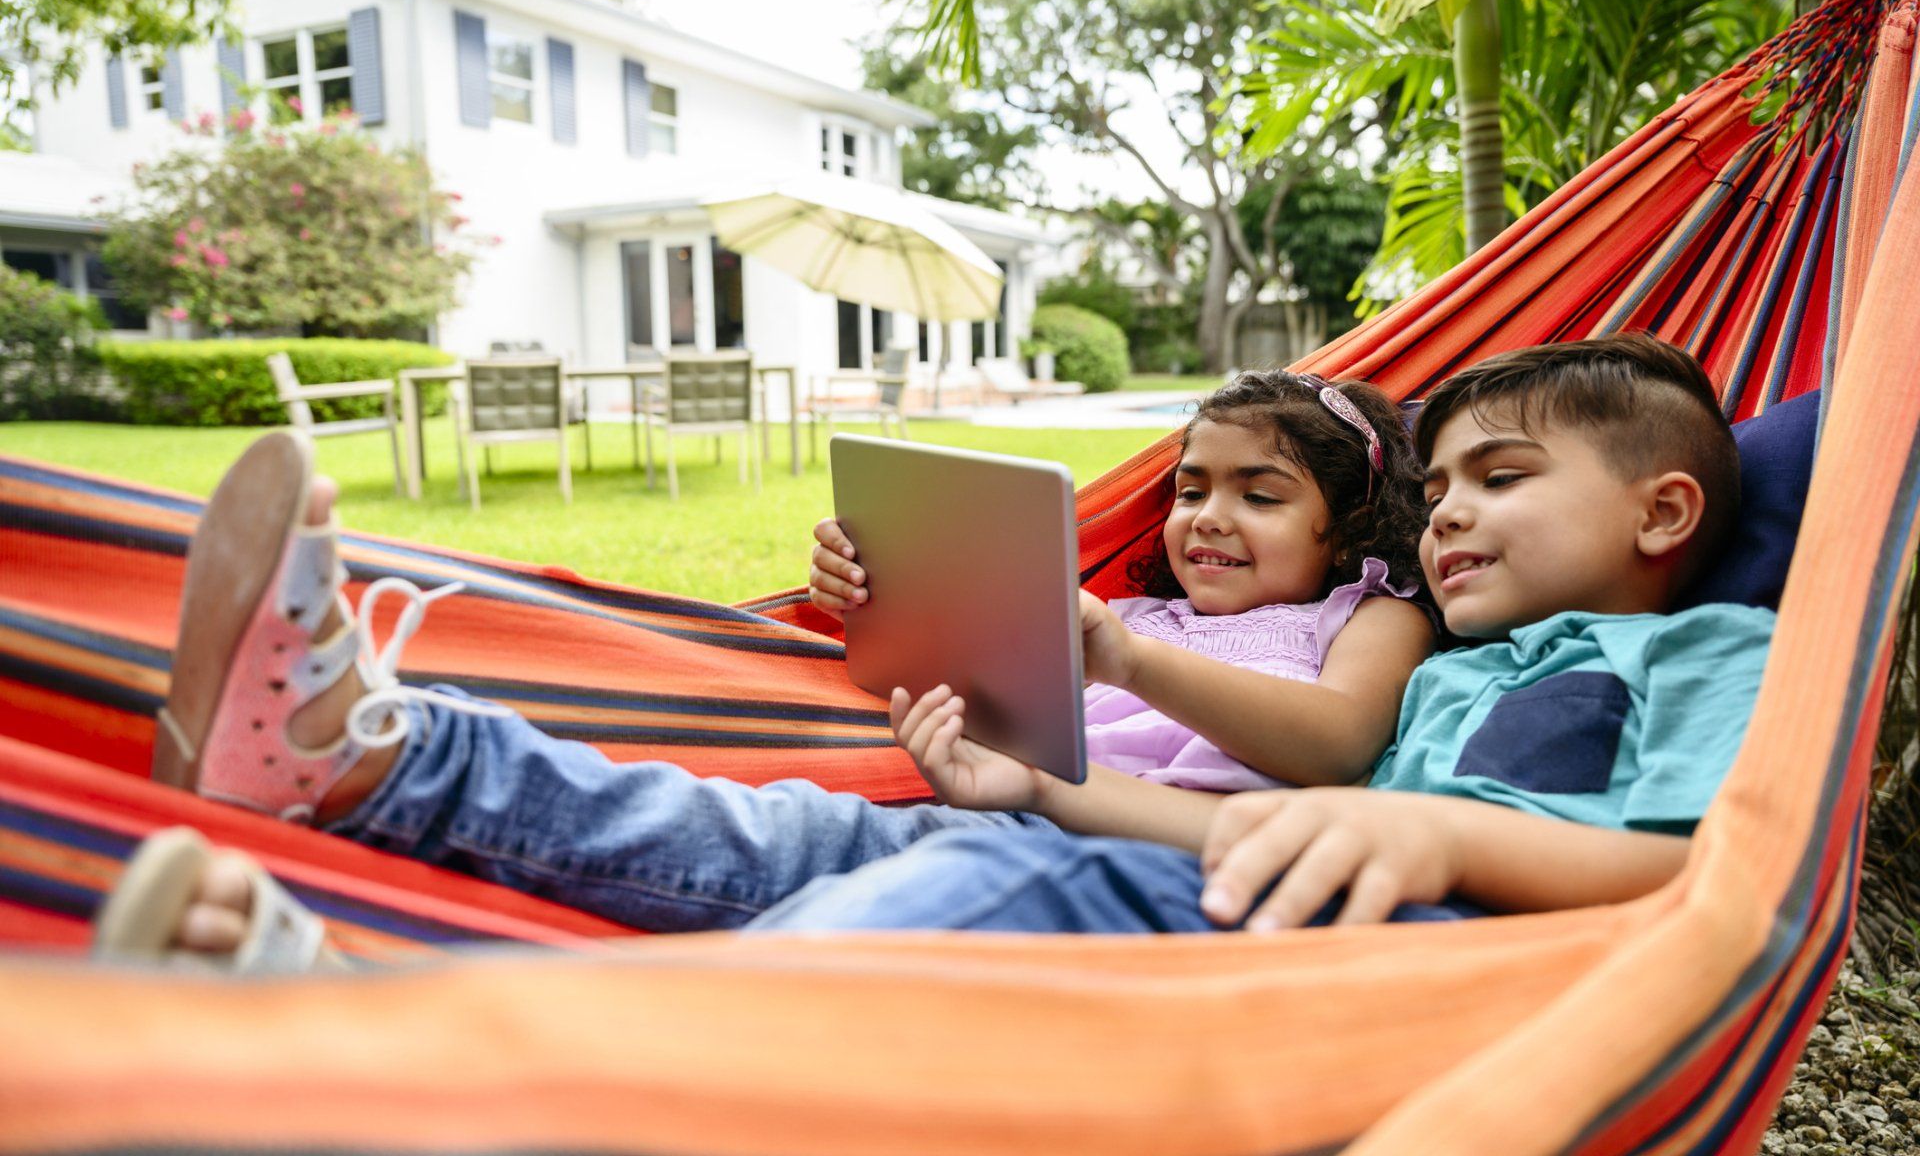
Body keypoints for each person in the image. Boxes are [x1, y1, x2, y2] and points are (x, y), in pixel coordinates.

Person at [103, 371, 1433, 965]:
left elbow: (1334, 747)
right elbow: (952, 687)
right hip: (985, 806)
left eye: (1259, 494)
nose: (1206, 516)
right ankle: (383, 748)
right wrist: (870, 597)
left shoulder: (1367, 615)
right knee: (712, 822)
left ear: (1346, 525)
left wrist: (1128, 661)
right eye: (1191, 486)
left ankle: (366, 835)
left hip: (1136, 871)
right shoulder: (1129, 604)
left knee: (787, 890)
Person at [749, 332, 1776, 935]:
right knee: (823, 835)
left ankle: (680, 1044)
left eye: (1499, 478)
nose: (1449, 514)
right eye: (1434, 493)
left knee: (974, 882)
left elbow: (1735, 874)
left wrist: (1446, 839)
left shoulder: (1710, 649)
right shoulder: (1448, 682)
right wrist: (1039, 785)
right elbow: (1270, 836)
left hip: (1410, 963)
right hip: (1259, 897)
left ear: (1663, 513)